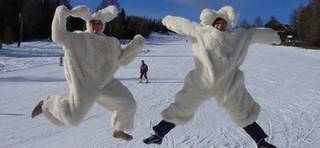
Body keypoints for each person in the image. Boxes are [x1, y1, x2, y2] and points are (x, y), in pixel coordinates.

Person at [143, 6, 280, 148]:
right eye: (219, 22)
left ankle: (261, 142)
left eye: (224, 23)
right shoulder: (201, 32)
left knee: (242, 112)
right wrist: (168, 20)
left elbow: (252, 34)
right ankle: (158, 135)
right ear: (213, 23)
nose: (221, 25)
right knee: (183, 107)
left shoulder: (236, 37)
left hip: (227, 84)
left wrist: (273, 36)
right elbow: (184, 25)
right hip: (203, 80)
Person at [31, 5, 145, 141]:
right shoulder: (77, 38)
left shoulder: (111, 42)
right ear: (88, 24)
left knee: (129, 104)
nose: (96, 26)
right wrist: (59, 14)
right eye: (93, 23)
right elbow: (58, 36)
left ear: (103, 25)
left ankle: (119, 128)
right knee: (73, 120)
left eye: (98, 23)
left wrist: (136, 45)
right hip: (84, 86)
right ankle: (47, 104)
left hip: (106, 83)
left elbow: (122, 60)